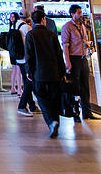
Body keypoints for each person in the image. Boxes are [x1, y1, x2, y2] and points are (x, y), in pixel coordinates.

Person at [25, 8, 66, 138]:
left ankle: (51, 122)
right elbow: (59, 55)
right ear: (44, 20)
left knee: (42, 99)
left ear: (33, 21)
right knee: (54, 99)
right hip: (54, 73)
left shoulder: (30, 35)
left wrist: (29, 71)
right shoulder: (52, 35)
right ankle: (55, 121)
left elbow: (29, 56)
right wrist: (62, 72)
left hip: (39, 74)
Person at [61, 4, 100, 122]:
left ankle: (87, 112)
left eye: (81, 12)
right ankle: (75, 113)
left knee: (85, 86)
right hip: (74, 59)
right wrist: (67, 61)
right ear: (72, 14)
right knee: (74, 87)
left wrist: (88, 45)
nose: (81, 14)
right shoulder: (67, 27)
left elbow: (82, 40)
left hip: (83, 58)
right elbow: (65, 45)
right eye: (78, 12)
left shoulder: (81, 25)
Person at [15, 13, 37, 117]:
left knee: (27, 82)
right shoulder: (27, 28)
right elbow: (32, 44)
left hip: (19, 58)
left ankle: (32, 106)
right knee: (29, 84)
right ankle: (22, 105)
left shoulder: (15, 25)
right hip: (26, 59)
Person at [7, 13, 24, 96]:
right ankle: (19, 90)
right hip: (17, 51)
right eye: (11, 17)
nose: (11, 18)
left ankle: (13, 87)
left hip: (12, 51)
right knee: (18, 70)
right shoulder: (18, 26)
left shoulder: (10, 27)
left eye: (13, 17)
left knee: (14, 69)